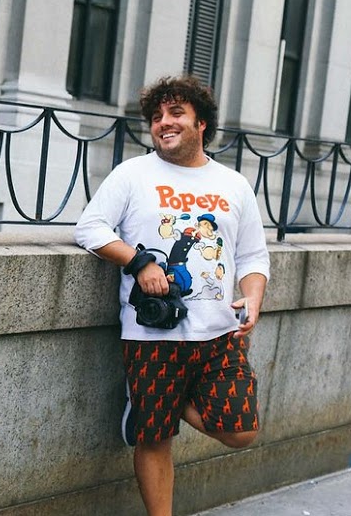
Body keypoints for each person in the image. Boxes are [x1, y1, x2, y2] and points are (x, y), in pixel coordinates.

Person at [74, 75, 270, 516]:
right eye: (156, 116)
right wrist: (139, 263)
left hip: (219, 333)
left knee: (241, 431)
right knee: (154, 438)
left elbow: (254, 257)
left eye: (175, 113)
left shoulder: (233, 184)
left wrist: (253, 298)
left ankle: (159, 400)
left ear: (201, 122)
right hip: (152, 334)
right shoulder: (133, 174)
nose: (163, 122)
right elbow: (90, 228)